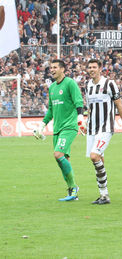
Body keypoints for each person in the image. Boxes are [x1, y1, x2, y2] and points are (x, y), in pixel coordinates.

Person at [33, 59, 85, 201]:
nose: (52, 69)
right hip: (57, 129)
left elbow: (79, 101)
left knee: (58, 154)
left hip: (69, 126)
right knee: (63, 160)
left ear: (63, 69)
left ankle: (74, 188)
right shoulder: (52, 88)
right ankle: (72, 191)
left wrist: (80, 118)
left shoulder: (70, 83)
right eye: (51, 67)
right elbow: (51, 109)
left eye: (55, 67)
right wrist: (42, 125)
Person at [85, 59, 122, 205]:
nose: (91, 69)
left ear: (100, 69)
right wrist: (86, 122)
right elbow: (90, 107)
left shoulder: (109, 84)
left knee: (94, 156)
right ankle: (103, 194)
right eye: (89, 67)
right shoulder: (88, 85)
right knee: (99, 161)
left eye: (94, 67)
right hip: (92, 128)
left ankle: (104, 195)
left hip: (105, 128)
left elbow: (118, 104)